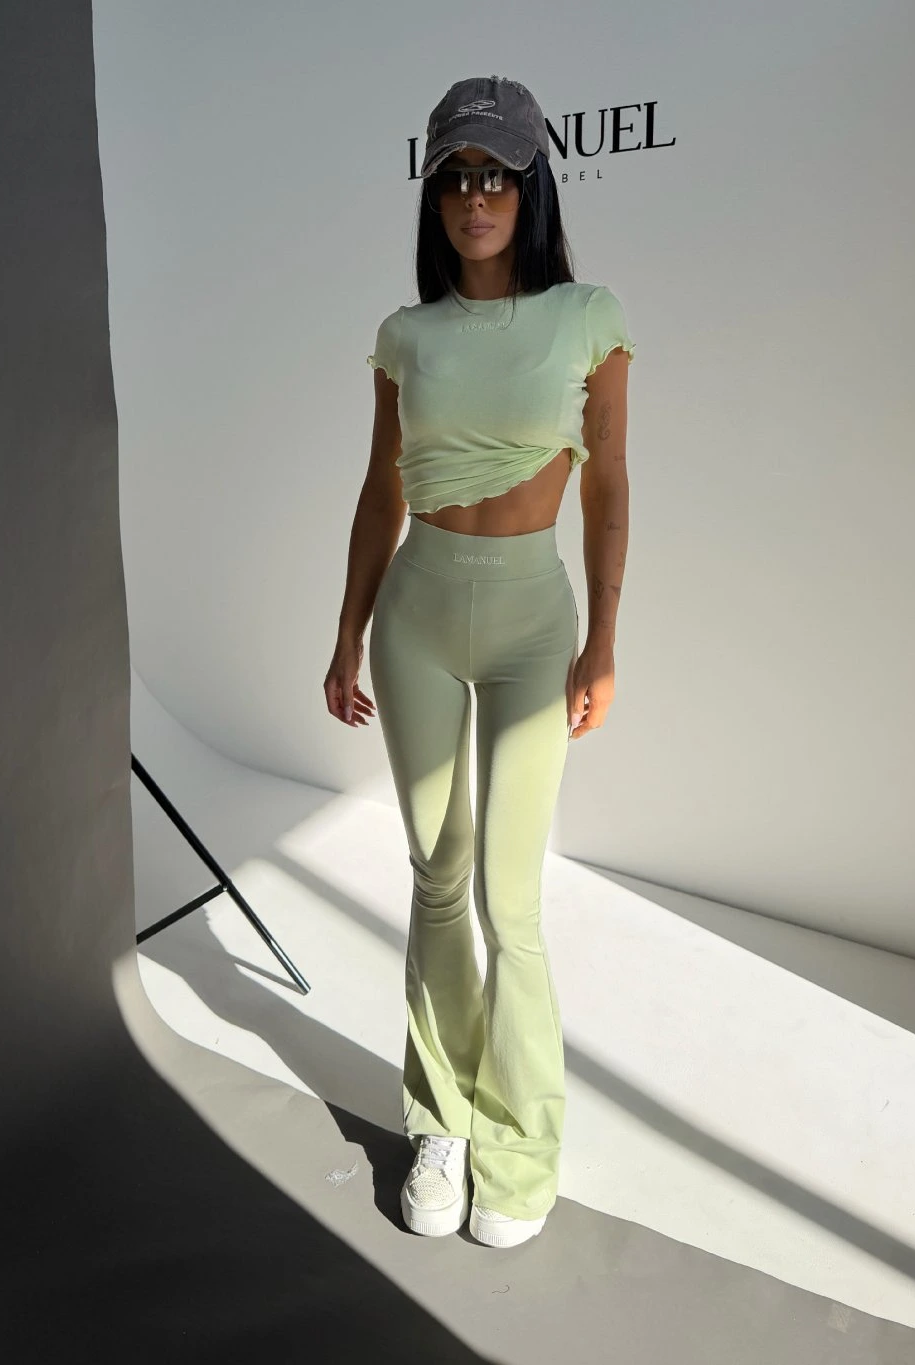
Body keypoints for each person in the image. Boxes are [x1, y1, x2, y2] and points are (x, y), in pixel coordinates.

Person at [324, 74, 635, 1249]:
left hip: (530, 620)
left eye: (496, 175)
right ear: (435, 196)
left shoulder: (588, 316)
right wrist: (346, 630)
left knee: (512, 897)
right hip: (414, 613)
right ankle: (440, 1122)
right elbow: (380, 490)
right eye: (454, 177)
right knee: (437, 876)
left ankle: (518, 1145)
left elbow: (607, 486)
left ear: (532, 186)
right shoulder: (405, 337)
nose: (474, 197)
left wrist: (604, 639)